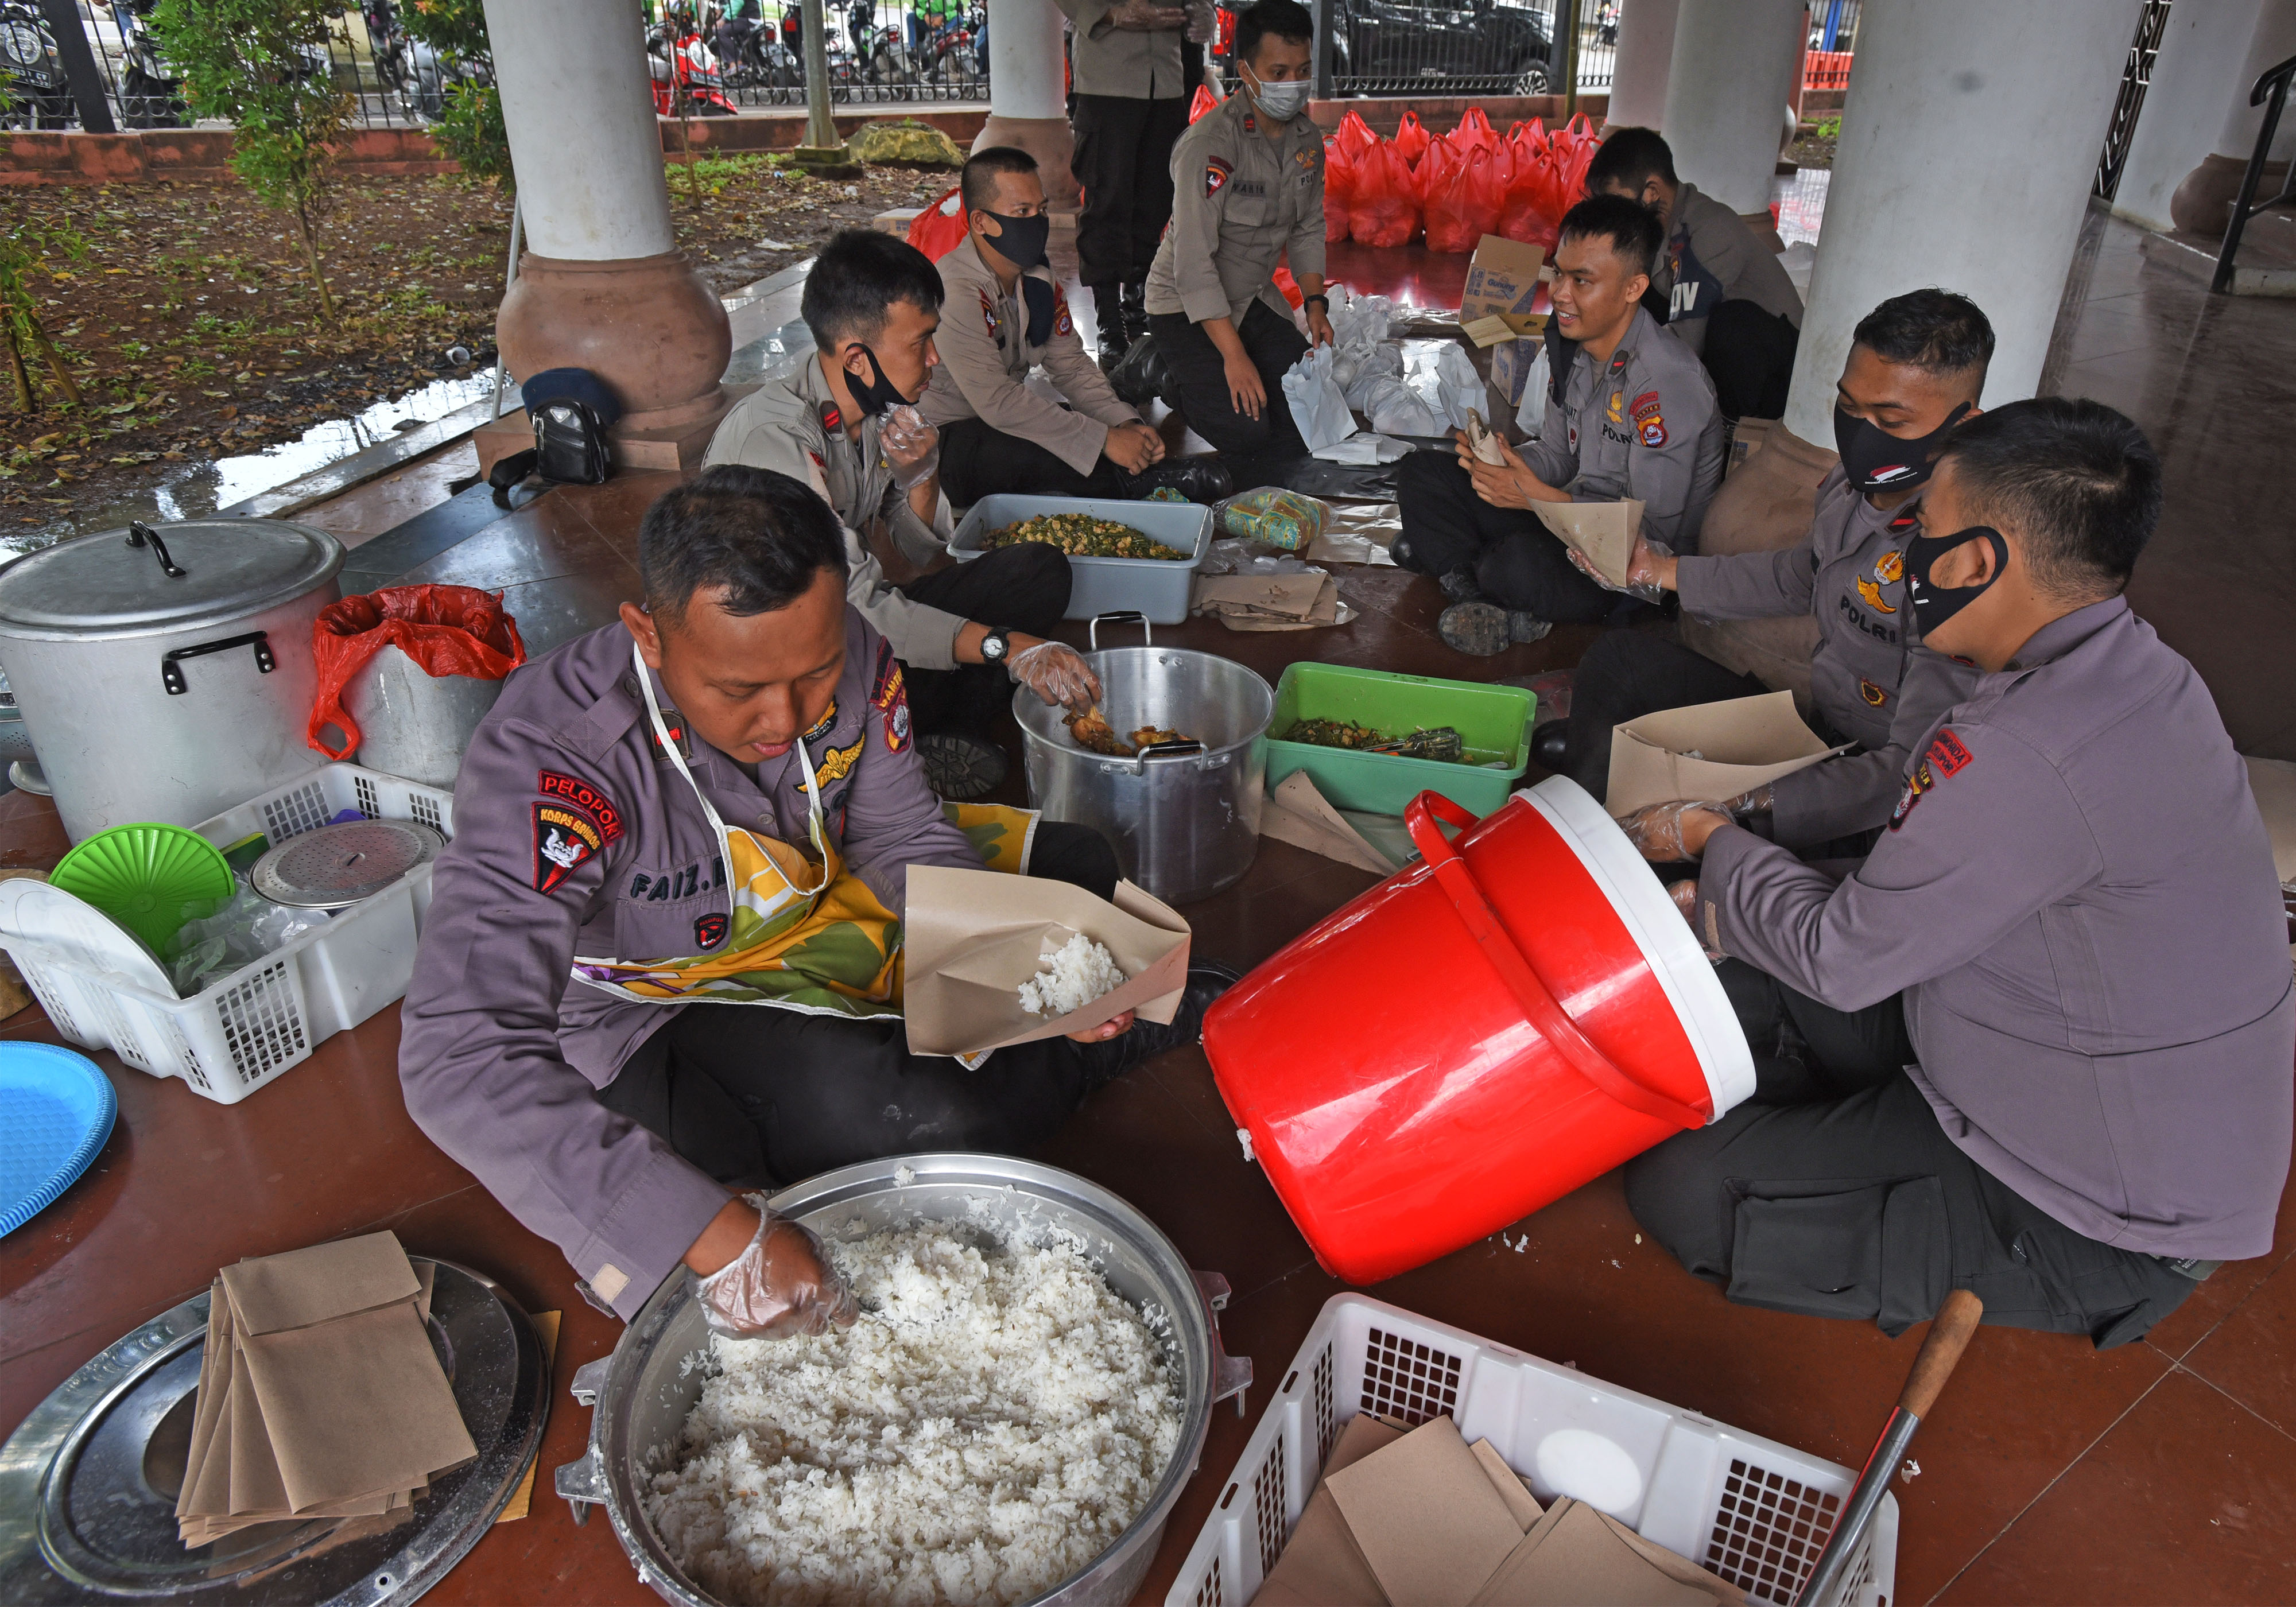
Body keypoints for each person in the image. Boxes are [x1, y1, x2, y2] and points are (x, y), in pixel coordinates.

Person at [400, 468, 1238, 1338]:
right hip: (658, 995)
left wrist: (1030, 968)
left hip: (805, 907)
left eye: (816, 675)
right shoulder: (556, 764)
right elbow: (458, 1055)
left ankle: (1075, 1035)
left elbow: (902, 839)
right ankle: (1074, 1062)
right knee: (938, 1119)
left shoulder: (859, 653)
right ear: (649, 636)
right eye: (738, 691)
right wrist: (718, 1237)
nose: (787, 719)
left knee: (1079, 865)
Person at [1621, 398, 2295, 1349]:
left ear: (1976, 563)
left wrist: (1708, 834)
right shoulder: (2125, 669)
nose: (1903, 546)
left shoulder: (2031, 748)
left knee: (1685, 1184)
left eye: (1923, 529)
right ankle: (1834, 1106)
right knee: (1714, 983)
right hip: (2009, 1033)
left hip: (2096, 1200)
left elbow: (1847, 957)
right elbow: (1916, 879)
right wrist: (1735, 885)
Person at [1546, 290, 1992, 855]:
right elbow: (1797, 575)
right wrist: (1656, 571)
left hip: (1870, 801)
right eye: (1850, 409)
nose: (1860, 433)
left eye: (1891, 418)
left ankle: (1602, 829)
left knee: (1695, 857)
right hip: (1817, 733)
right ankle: (1582, 834)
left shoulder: (1958, 564)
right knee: (1621, 661)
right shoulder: (1854, 488)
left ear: (1962, 424)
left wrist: (1740, 806)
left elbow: (1908, 772)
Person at [704, 230, 1097, 802]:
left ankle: (942, 734)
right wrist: (1006, 648)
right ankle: (911, 737)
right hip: (791, 672)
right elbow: (857, 613)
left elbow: (918, 554)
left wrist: (921, 476)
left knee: (1037, 570)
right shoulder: (778, 443)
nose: (935, 359)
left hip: (854, 637)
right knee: (973, 642)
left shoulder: (869, 409)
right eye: (921, 342)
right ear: (858, 358)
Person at [1394, 193, 1723, 656]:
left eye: (1582, 281)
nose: (1560, 294)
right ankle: (1472, 590)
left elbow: (1651, 534)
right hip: (1562, 521)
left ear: (1634, 288)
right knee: (1422, 473)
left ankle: (1464, 569)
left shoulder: (1666, 383)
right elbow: (1555, 455)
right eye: (1560, 274)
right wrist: (1501, 463)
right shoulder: (1573, 347)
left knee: (1515, 564)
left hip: (1628, 567)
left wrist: (1532, 499)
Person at [922, 147, 1229, 503]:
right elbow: (998, 402)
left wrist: (1122, 423)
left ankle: (1134, 475)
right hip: (944, 441)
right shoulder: (956, 290)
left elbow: (1071, 366)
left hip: (998, 422)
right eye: (1022, 212)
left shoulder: (1037, 279)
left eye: (1041, 210)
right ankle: (1140, 486)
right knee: (1047, 451)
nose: (1037, 222)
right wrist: (1103, 440)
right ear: (980, 222)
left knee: (1071, 429)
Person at [1141, 0, 1331, 464]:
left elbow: (1307, 227)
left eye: (1302, 71)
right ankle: (1160, 370)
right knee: (1246, 430)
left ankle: (1215, 365)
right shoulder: (1210, 145)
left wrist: (1315, 302)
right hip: (1183, 305)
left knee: (1307, 413)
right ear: (1245, 71)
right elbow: (1193, 266)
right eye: (1279, 72)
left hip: (1248, 297)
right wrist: (1234, 355)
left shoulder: (1306, 141)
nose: (1293, 86)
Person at [1584, 127, 1805, 421]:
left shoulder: (1709, 230)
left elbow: (1685, 342)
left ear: (1651, 193)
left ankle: (1725, 433)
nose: (1612, 217)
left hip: (1772, 366)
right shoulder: (1655, 224)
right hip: (1719, 341)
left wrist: (1613, 371)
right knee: (1631, 290)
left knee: (1730, 326)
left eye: (1617, 203)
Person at [1057, 0, 1192, 366]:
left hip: (1167, 79)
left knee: (1156, 203)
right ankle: (1109, 323)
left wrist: (1203, 10)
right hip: (1108, 81)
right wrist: (1112, 13)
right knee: (1107, 205)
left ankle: (1138, 309)